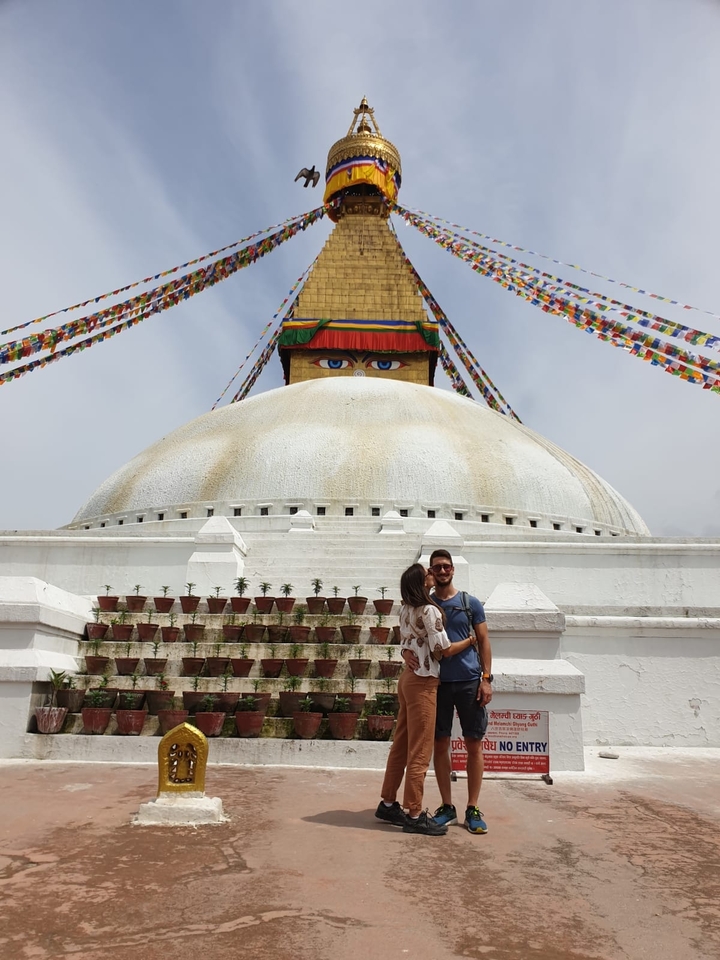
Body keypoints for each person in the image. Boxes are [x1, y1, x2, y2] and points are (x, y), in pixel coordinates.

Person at [375, 563, 477, 836]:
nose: (433, 573)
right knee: (420, 749)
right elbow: (442, 649)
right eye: (428, 572)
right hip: (423, 681)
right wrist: (470, 641)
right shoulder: (430, 610)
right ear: (423, 583)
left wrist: (405, 653)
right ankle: (414, 812)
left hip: (408, 679)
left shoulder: (406, 608)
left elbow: (405, 643)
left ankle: (388, 802)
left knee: (402, 743)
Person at [401, 549, 493, 834]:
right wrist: (404, 651)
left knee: (473, 743)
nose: (441, 572)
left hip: (467, 679)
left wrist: (487, 677)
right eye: (436, 568)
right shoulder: (424, 605)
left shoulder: (469, 603)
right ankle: (446, 805)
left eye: (446, 567)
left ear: (453, 569)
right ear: (430, 572)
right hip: (438, 683)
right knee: (440, 744)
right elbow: (410, 635)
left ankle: (472, 806)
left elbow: (484, 640)